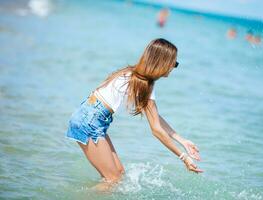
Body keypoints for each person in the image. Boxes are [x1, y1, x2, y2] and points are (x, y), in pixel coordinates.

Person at [65, 38, 203, 192]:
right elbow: (156, 130)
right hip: (89, 123)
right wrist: (183, 157)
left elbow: (155, 118)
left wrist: (182, 140)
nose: (173, 67)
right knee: (113, 180)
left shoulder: (136, 75)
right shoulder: (144, 83)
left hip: (91, 118)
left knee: (119, 174)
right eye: (173, 63)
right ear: (162, 62)